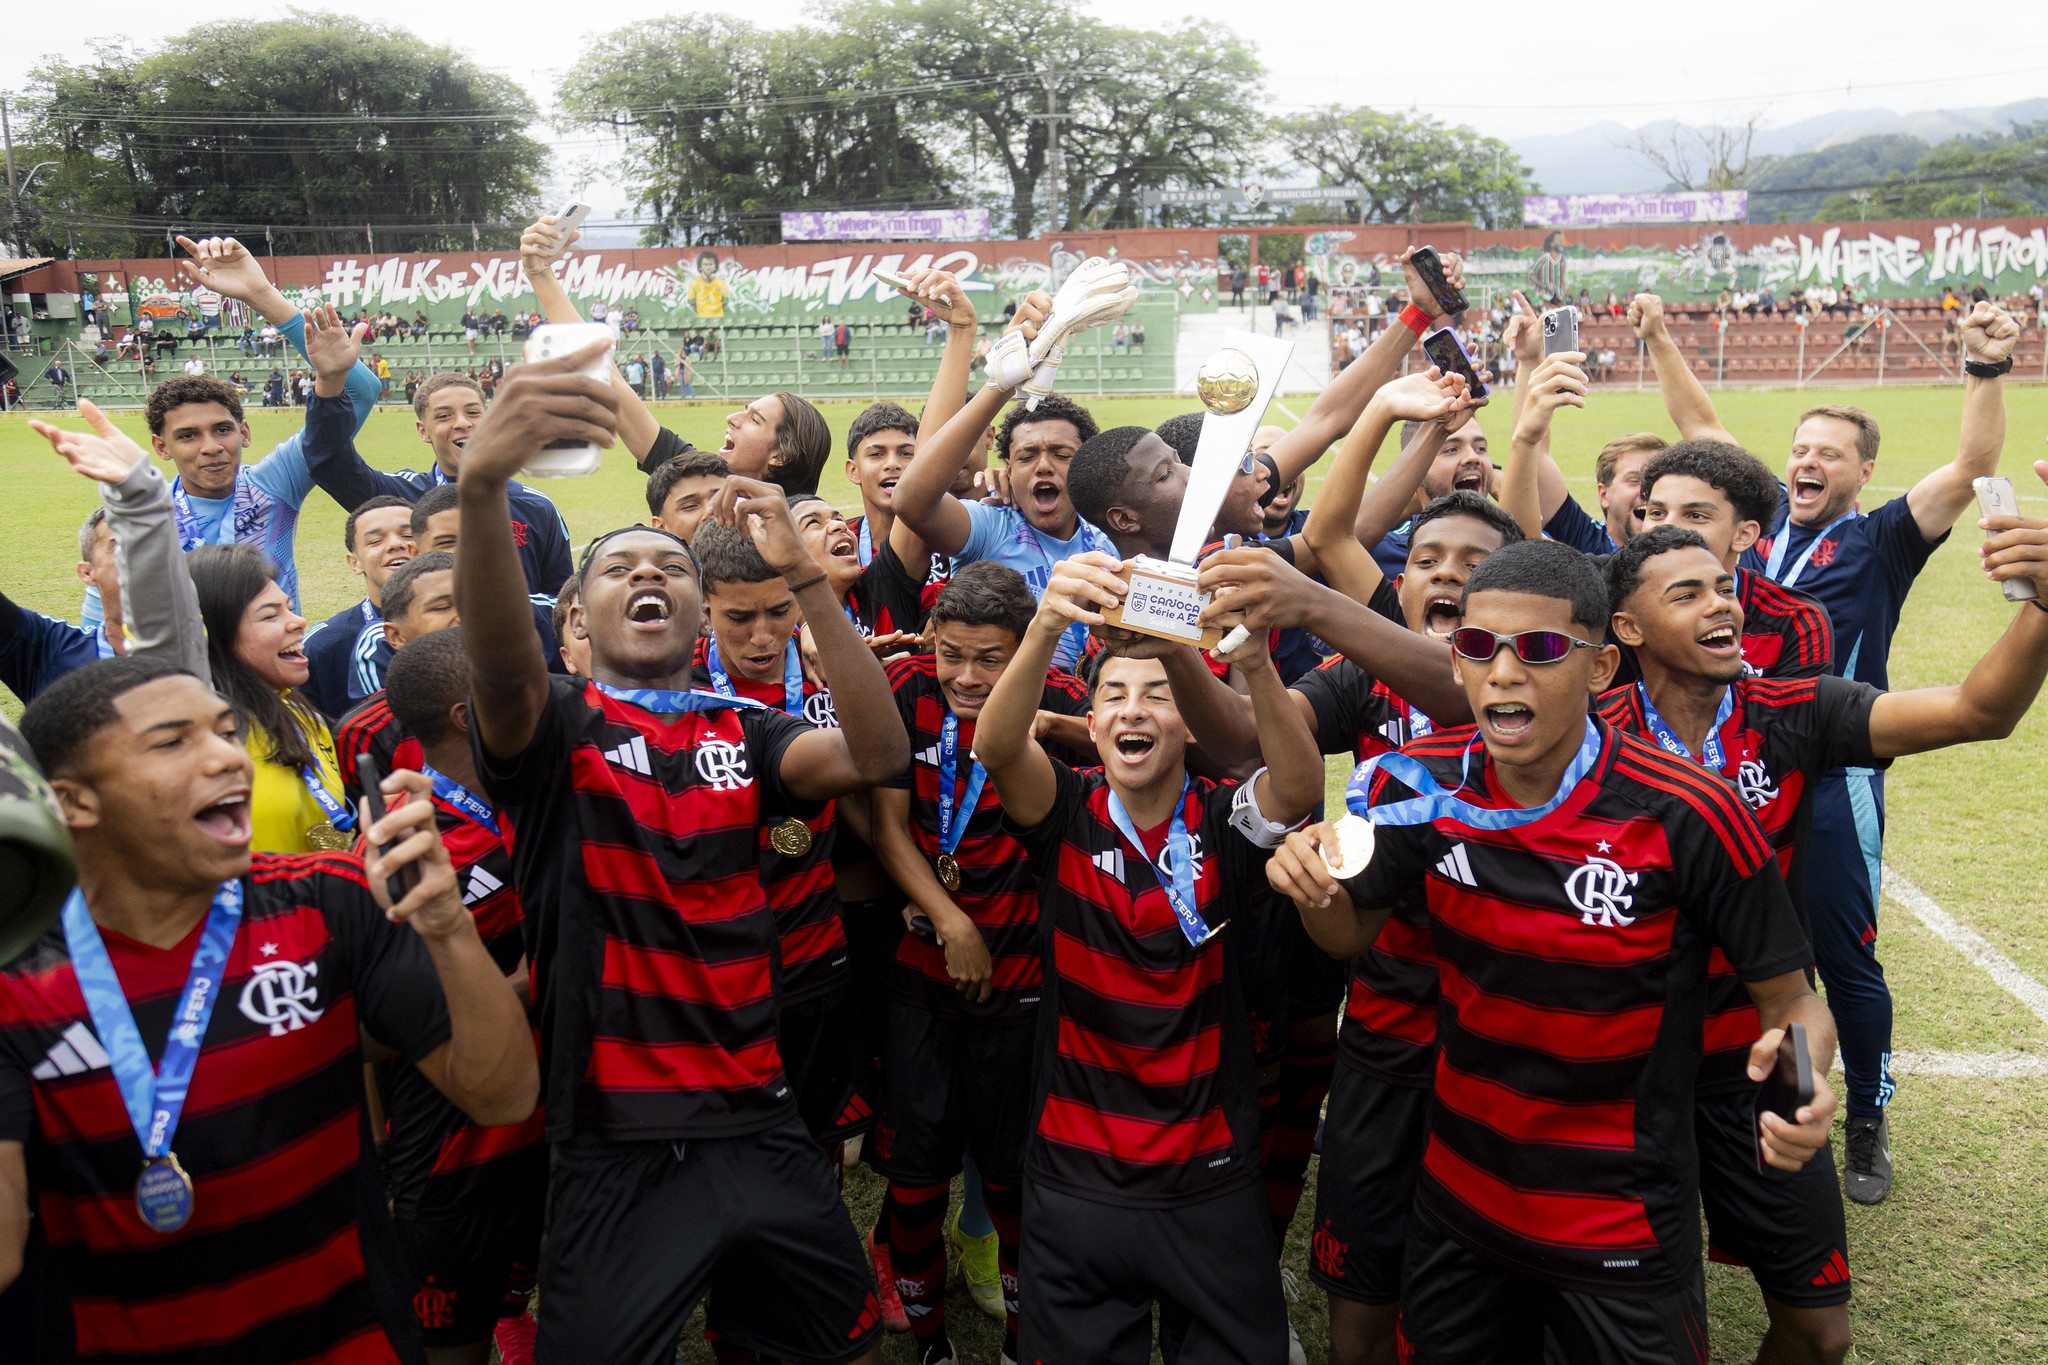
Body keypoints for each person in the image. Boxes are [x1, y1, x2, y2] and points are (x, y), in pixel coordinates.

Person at [1266, 538, 1838, 1364]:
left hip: (1620, 1220)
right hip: (1459, 1201)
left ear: (1603, 667)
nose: (1502, 672)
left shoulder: (1691, 811)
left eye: (1538, 650)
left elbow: (1790, 999)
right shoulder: (1415, 786)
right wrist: (1317, 894)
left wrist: (1802, 1084)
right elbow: (1350, 931)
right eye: (1476, 646)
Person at [454, 343, 907, 1365]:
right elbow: (497, 658)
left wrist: (808, 583)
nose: (648, 576)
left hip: (758, 1108)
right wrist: (482, 487)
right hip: (616, 1133)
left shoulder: (738, 728)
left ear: (699, 612)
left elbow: (877, 754)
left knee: (835, 1343)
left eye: (669, 569)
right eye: (621, 568)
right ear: (575, 616)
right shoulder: (553, 727)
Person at [1598, 512, 2048, 1364]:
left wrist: (2044, 611)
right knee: (1640, 1325)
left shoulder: (1790, 709)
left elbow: (1975, 711)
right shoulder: (1584, 722)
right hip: (1616, 1070)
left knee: (1818, 1329)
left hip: (1766, 1051)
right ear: (1627, 628)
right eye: (1685, 593)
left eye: (1725, 587)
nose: (1721, 606)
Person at [0, 656, 537, 1364]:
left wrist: (446, 923)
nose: (228, 757)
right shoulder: (17, 973)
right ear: (72, 802)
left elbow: (503, 1093)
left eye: (226, 731)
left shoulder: (330, 898)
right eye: (173, 742)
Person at [1682, 300, 2021, 1202]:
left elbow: (1972, 467)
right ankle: (1742, 1104)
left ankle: (1865, 1112)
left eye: (1830, 453)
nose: (1807, 462)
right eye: (1800, 448)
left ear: (1864, 471)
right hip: (1743, 776)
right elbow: (1701, 433)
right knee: (1746, 956)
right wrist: (1651, 344)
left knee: (1841, 961)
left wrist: (1984, 370)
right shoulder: (1748, 545)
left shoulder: (1879, 539)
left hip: (1836, 776)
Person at [971, 551, 1322, 1363]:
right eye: (1115, 695)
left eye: (1159, 694)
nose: (1135, 710)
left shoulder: (1225, 819)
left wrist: (1257, 666)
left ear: (1190, 726)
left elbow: (1298, 786)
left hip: (1209, 1170)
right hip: (1076, 1171)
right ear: (1091, 727)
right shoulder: (1065, 811)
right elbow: (996, 744)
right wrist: (1048, 622)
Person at [864, 563, 1093, 1363]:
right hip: (922, 975)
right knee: (916, 1175)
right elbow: (888, 827)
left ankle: (1020, 1342)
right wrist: (947, 914)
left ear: (1024, 648)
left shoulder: (1065, 701)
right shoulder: (906, 688)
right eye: (951, 652)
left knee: (1013, 1183)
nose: (965, 676)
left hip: (1025, 982)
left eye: (988, 659)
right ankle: (931, 1343)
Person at [378, 628, 547, 1365]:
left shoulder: (535, 792)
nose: (541, 691)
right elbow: (384, 1025)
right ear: (464, 712)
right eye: (518, 679)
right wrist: (533, 982)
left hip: (555, 1122)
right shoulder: (408, 848)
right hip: (454, 1156)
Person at [296, 312, 574, 601]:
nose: (462, 423)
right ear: (423, 431)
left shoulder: (537, 508)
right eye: (444, 416)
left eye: (473, 412)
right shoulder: (400, 497)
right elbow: (329, 462)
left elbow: (560, 603)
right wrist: (330, 381)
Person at [1635, 440, 1834, 680]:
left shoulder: (1793, 621)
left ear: (1743, 535)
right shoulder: (1612, 593)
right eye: (1657, 513)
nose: (1666, 528)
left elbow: (1793, 714)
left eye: (1696, 516)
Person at [299, 495, 416, 719]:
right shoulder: (321, 648)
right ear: (355, 563)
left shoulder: (461, 623)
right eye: (375, 541)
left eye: (408, 535)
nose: (395, 544)